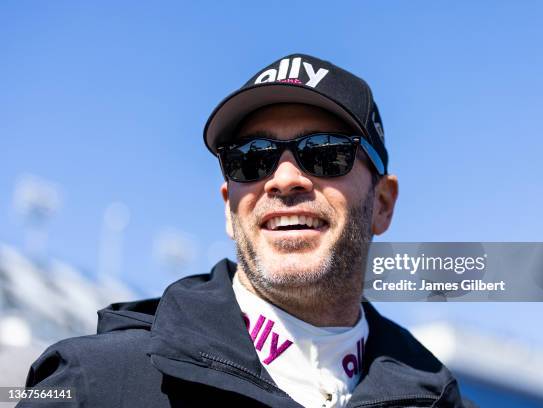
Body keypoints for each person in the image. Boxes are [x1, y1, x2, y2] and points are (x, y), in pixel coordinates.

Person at [19, 54, 472, 407]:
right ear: (229, 209)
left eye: (325, 152)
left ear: (384, 204)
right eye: (252, 157)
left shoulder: (439, 400)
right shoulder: (91, 385)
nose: (284, 178)